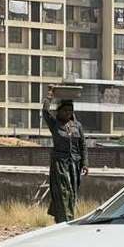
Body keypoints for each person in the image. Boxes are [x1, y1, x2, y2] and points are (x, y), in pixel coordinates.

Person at [42, 90, 87, 223]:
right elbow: (45, 112)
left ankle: (65, 216)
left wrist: (85, 163)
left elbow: (83, 145)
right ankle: (65, 220)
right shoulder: (55, 124)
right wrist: (49, 97)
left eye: (70, 110)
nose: (68, 113)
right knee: (63, 192)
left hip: (74, 164)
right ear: (59, 111)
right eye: (65, 110)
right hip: (60, 164)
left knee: (72, 193)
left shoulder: (77, 126)